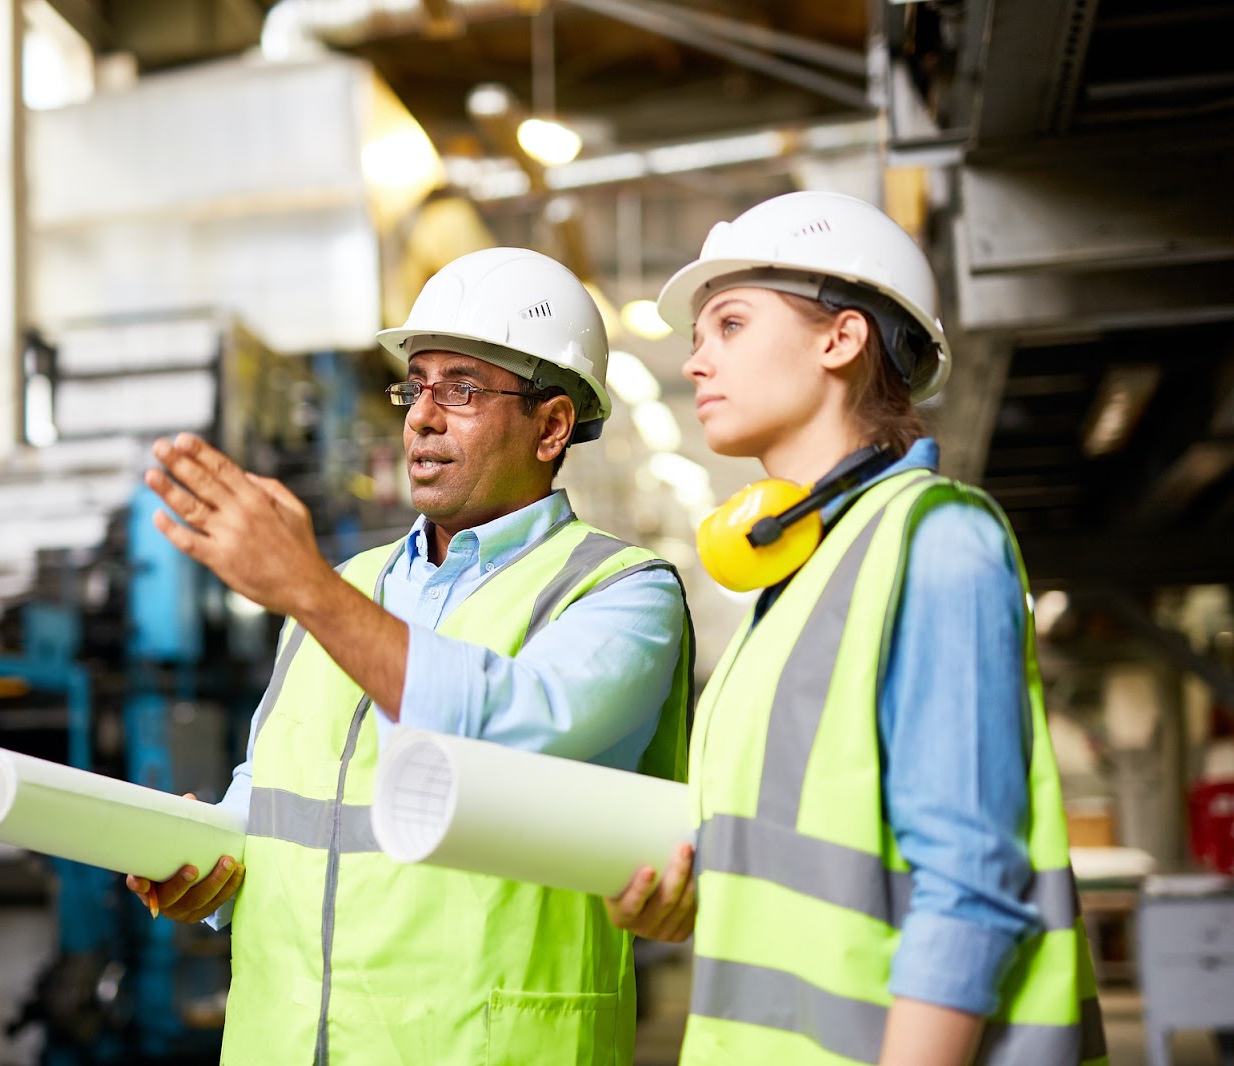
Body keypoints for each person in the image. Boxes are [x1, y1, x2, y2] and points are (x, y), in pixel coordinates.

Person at [127, 247, 694, 1064]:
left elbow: (499, 736)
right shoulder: (350, 584)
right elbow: (279, 788)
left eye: (461, 389)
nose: (422, 416)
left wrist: (307, 587)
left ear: (554, 425)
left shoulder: (618, 594)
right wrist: (203, 856)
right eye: (416, 385)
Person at [606, 191, 1106, 1066]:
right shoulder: (795, 581)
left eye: (728, 325)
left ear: (841, 339)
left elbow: (969, 891)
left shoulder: (937, 540)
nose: (695, 362)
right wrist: (692, 900)